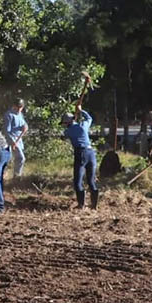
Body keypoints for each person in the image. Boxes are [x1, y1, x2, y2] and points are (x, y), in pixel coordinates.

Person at [61, 81, 98, 209]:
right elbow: (89, 119)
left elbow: (63, 137)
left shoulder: (68, 131)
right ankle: (94, 205)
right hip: (91, 153)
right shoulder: (83, 126)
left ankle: (81, 204)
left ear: (67, 123)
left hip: (81, 153)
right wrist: (81, 111)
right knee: (91, 180)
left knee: (78, 181)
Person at [4, 99, 29, 178]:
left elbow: (24, 125)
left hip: (19, 140)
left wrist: (25, 127)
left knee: (17, 159)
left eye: (20, 107)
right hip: (12, 140)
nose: (19, 109)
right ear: (14, 106)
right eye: (17, 107)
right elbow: (6, 131)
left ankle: (16, 177)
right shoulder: (9, 115)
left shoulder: (20, 115)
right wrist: (12, 142)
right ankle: (16, 176)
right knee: (21, 158)